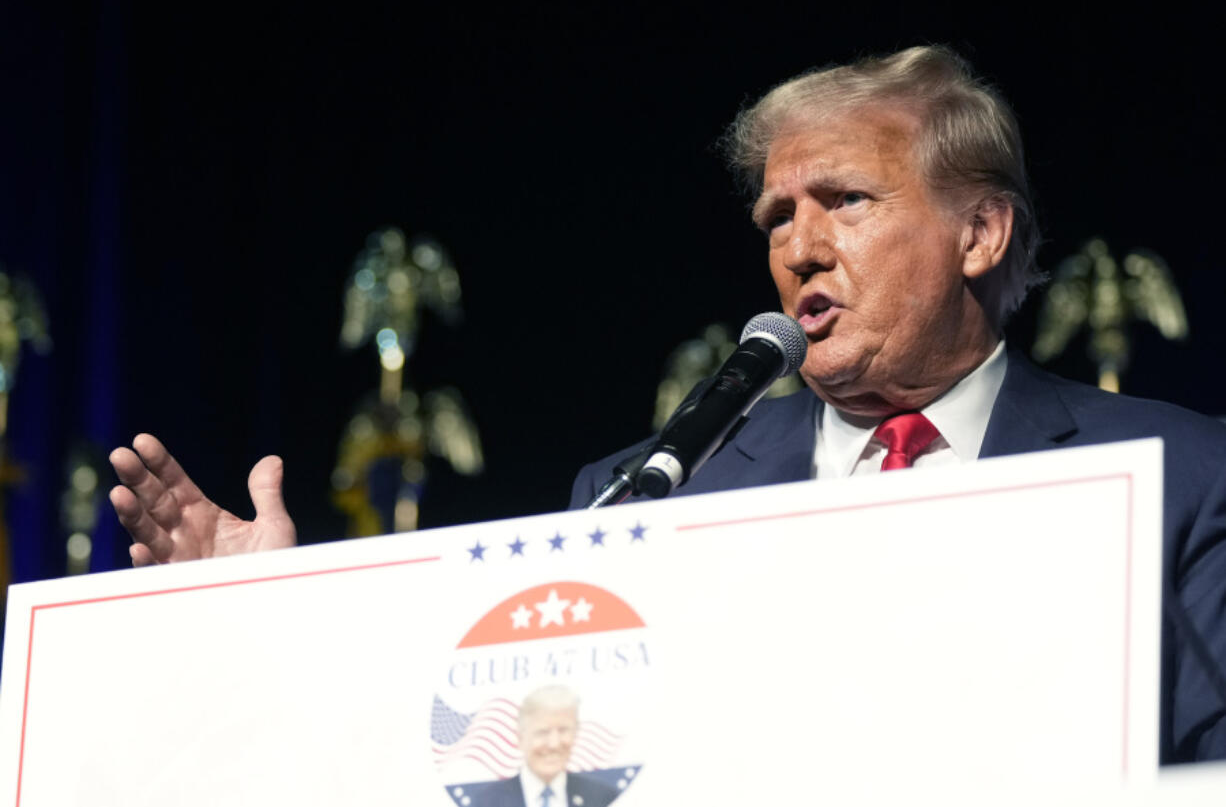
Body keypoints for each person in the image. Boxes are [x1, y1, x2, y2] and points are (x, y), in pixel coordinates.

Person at [109, 46, 1226, 765]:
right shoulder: (644, 491)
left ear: (978, 233)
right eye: (775, 216)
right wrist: (255, 620)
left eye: (842, 199)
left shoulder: (1176, 474)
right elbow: (501, 747)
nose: (797, 245)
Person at [468, 686, 618, 807]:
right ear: (520, 738)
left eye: (563, 730)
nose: (554, 744)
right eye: (542, 732)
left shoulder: (604, 798)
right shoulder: (486, 803)